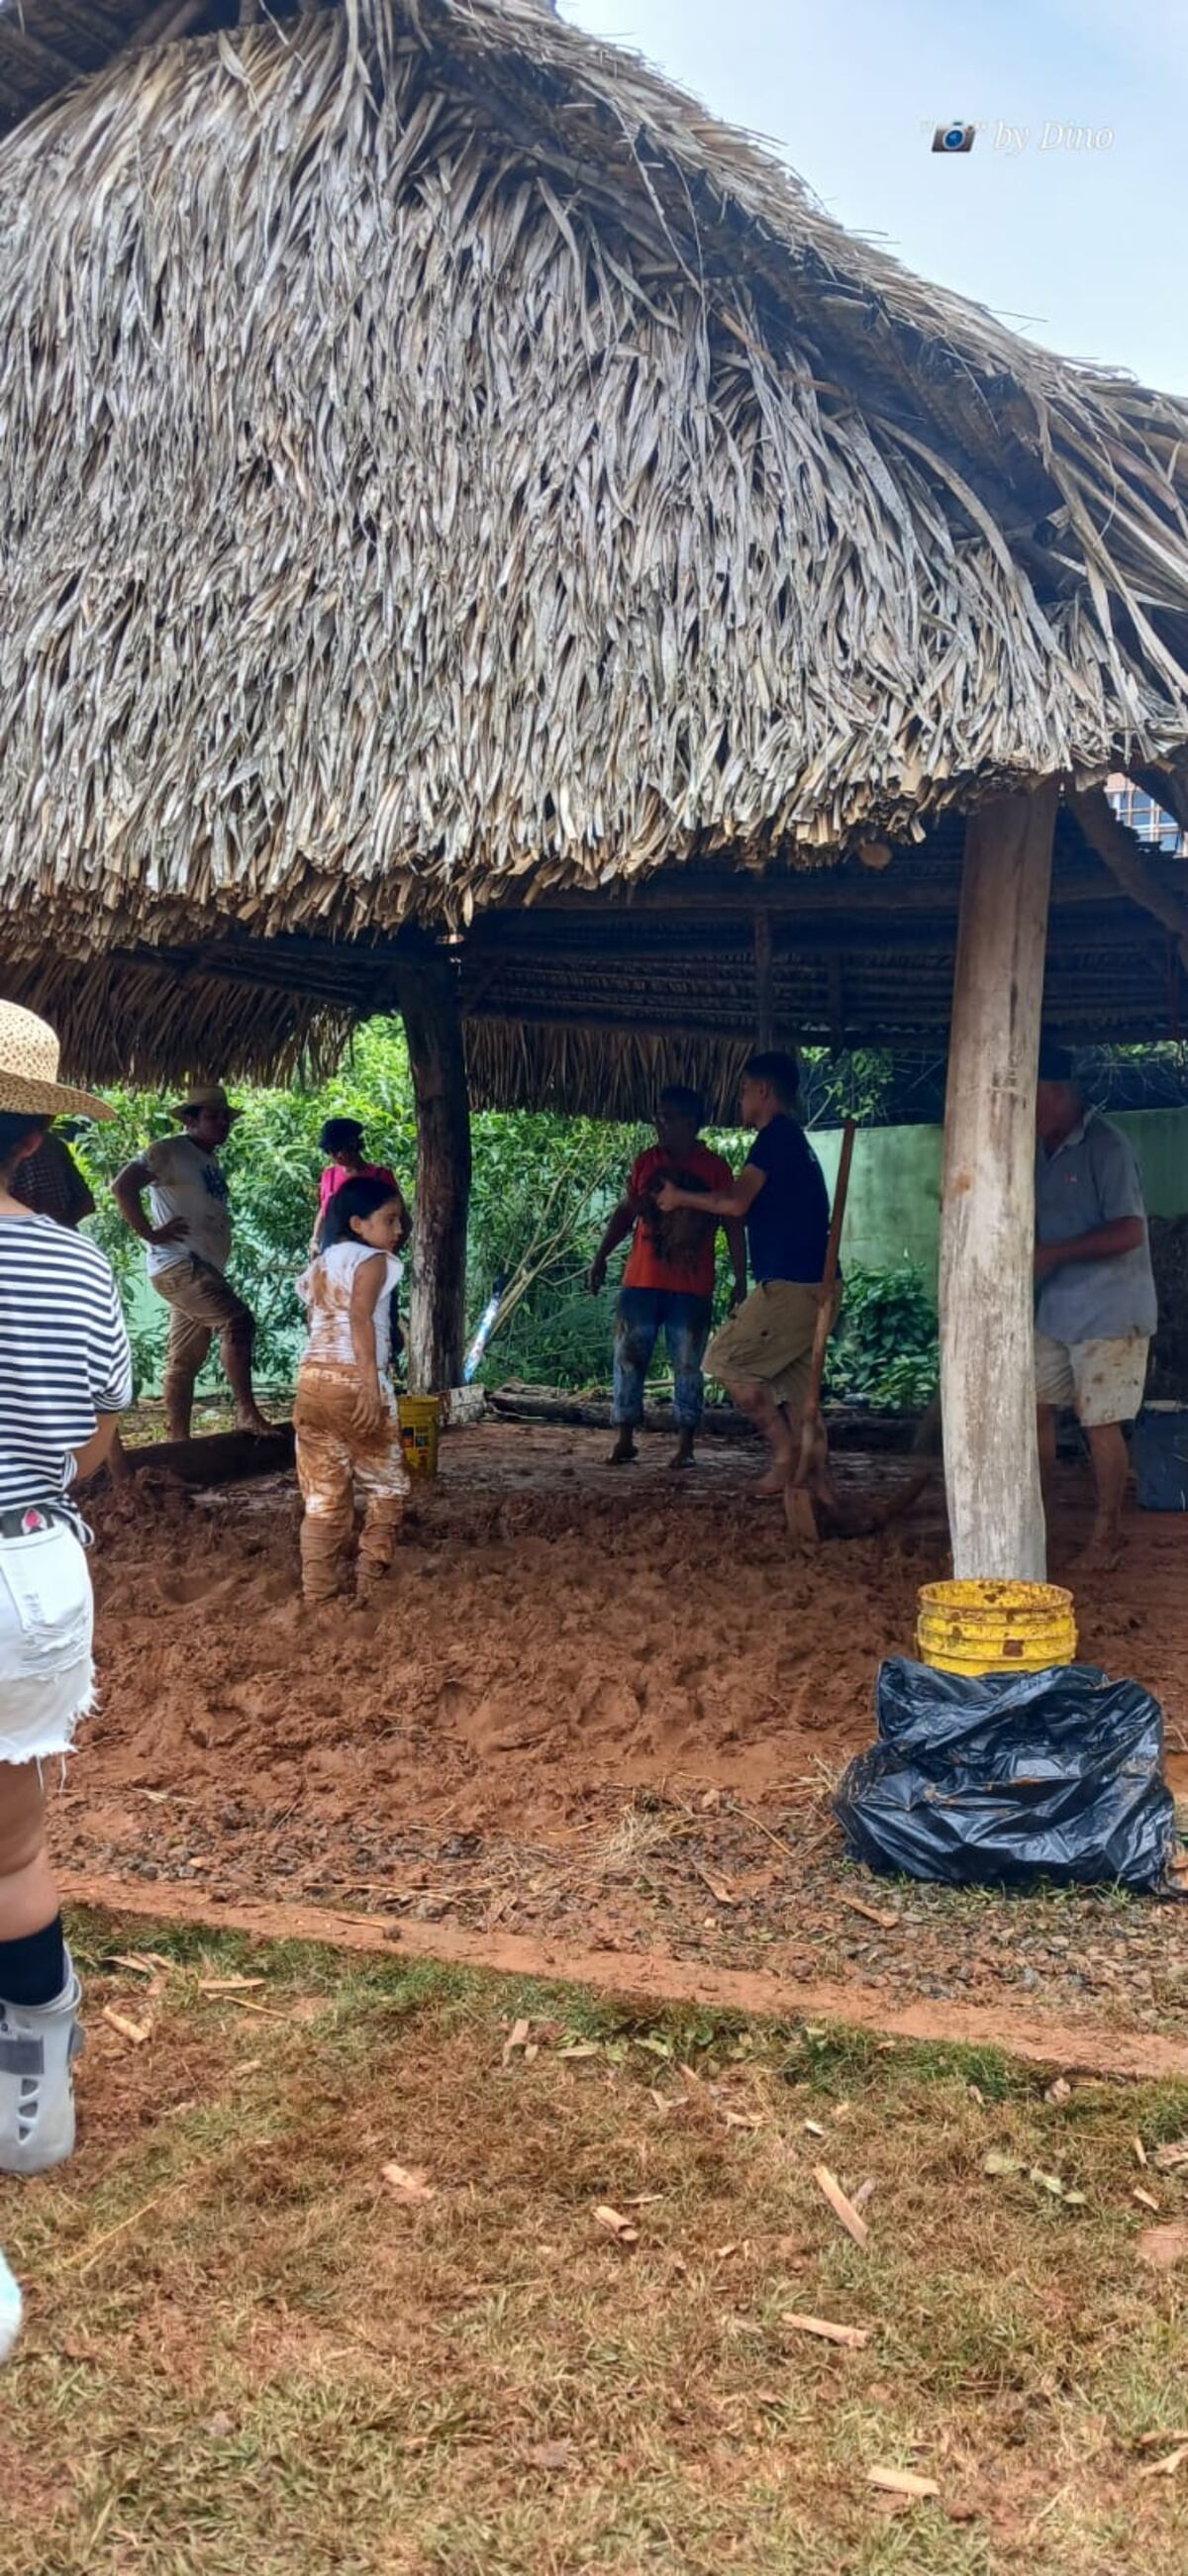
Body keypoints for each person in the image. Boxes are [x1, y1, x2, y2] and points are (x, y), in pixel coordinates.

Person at [0, 1003, 131, 2175]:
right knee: (12, 1845)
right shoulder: (78, 1261)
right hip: (32, 1560)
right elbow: (93, 1450)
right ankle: (31, 2106)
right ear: (32, 1142)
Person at [656, 1050, 834, 1497]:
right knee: (799, 1397)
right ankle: (820, 1484)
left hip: (792, 1288)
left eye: (742, 1091)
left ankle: (784, 1454)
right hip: (815, 1285)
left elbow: (735, 1203)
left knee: (725, 1361)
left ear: (763, 1092)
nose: (738, 1101)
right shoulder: (792, 1141)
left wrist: (680, 1197)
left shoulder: (776, 1139)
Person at [1035, 1041, 1156, 1570]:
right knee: (1033, 1408)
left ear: (1059, 1095)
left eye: (1031, 1099)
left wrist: (1053, 1254)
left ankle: (1107, 1535)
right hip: (1056, 1308)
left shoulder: (1107, 1146)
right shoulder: (1037, 1148)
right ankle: (1033, 1521)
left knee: (1099, 1423)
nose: (1024, 1112)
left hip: (1110, 1312)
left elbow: (1131, 1230)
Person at [588, 1086, 746, 1470]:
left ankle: (686, 1445)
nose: (660, 1124)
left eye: (669, 1117)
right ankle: (625, 1437)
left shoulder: (715, 1169)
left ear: (691, 1123)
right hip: (641, 1280)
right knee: (627, 1356)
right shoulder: (646, 1163)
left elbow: (732, 1224)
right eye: (658, 1116)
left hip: (692, 1286)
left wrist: (741, 1279)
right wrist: (601, 1255)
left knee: (689, 1363)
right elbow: (626, 1213)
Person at [113, 1083, 269, 1444]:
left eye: (225, 1118)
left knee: (183, 1362)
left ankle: (178, 1443)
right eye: (212, 1117)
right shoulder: (168, 1151)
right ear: (189, 1120)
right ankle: (246, 1411)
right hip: (180, 1265)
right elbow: (123, 1186)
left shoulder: (206, 1159)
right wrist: (149, 1234)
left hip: (201, 1267)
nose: (222, 1124)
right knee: (237, 1320)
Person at [294, 1175, 411, 1604]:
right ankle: (370, 1578)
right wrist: (369, 1385)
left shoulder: (322, 1263)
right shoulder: (373, 1260)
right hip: (354, 1382)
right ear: (358, 1223)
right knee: (386, 1486)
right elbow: (359, 1319)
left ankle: (318, 1591)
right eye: (390, 1220)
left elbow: (315, 1321)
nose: (398, 1230)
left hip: (311, 1383)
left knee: (323, 1498)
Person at [313, 1118, 405, 1253]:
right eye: (331, 1151)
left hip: (370, 1258)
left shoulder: (380, 1176)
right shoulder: (329, 1176)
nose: (337, 1155)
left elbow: (403, 1220)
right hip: (334, 1258)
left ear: (354, 1144)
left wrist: (388, 1254)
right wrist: (314, 1241)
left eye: (340, 1149)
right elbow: (324, 1210)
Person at [10, 1130, 94, 1230]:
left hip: (14, 1234)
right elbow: (86, 1202)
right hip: (60, 1235)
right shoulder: (54, 1144)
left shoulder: (53, 1145)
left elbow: (86, 1202)